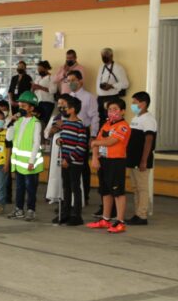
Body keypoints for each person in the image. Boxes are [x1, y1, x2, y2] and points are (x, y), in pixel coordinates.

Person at [87, 98, 131, 234]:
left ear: (122, 111)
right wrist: (94, 157)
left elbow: (111, 141)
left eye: (115, 109)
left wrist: (96, 143)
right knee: (105, 191)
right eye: (110, 109)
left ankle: (120, 221)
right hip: (103, 160)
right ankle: (105, 219)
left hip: (116, 162)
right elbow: (96, 141)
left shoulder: (123, 126)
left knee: (118, 192)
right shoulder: (106, 125)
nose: (112, 112)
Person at [7, 91, 44, 222]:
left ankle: (31, 210)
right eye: (20, 106)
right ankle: (18, 209)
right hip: (18, 162)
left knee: (31, 188)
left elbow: (36, 143)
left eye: (24, 106)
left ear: (31, 108)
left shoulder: (36, 123)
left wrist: (32, 161)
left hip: (29, 163)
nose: (20, 108)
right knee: (19, 187)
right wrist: (11, 123)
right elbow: (9, 137)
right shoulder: (17, 121)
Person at [68, 70, 99, 205]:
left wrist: (93, 136)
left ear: (81, 81)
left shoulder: (89, 97)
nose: (71, 83)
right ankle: (69, 195)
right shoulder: (69, 96)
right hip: (69, 131)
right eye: (68, 81)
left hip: (83, 131)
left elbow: (94, 117)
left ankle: (84, 195)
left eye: (73, 80)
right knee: (69, 163)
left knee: (82, 165)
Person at [126, 92, 157, 225]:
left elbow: (149, 140)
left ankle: (142, 215)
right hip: (132, 159)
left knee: (142, 188)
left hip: (141, 160)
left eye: (134, 102)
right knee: (135, 187)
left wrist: (144, 160)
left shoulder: (149, 119)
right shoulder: (135, 118)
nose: (132, 105)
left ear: (143, 103)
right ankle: (137, 213)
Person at [56, 96, 87, 226]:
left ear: (72, 109)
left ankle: (76, 215)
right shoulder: (66, 123)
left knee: (75, 187)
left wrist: (69, 159)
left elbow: (81, 146)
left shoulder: (81, 125)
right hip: (64, 161)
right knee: (66, 187)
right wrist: (59, 141)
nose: (63, 109)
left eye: (66, 107)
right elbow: (62, 138)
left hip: (74, 162)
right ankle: (65, 213)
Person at [96, 48, 129, 126]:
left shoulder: (118, 68)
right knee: (101, 121)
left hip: (111, 98)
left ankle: (111, 137)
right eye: (103, 56)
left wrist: (112, 86)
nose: (104, 57)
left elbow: (125, 83)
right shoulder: (101, 67)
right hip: (100, 98)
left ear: (111, 56)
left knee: (112, 120)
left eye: (106, 55)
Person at [0, 100, 13, 204]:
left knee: (6, 174)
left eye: (4, 109)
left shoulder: (11, 120)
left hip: (6, 149)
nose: (2, 111)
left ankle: (7, 196)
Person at [32, 60, 57, 126]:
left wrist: (40, 87)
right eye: (38, 69)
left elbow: (54, 90)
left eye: (41, 69)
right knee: (37, 122)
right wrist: (33, 88)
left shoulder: (51, 78)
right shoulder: (38, 78)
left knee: (44, 122)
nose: (39, 71)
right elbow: (34, 91)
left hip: (47, 103)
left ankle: (43, 136)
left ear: (46, 69)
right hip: (38, 103)